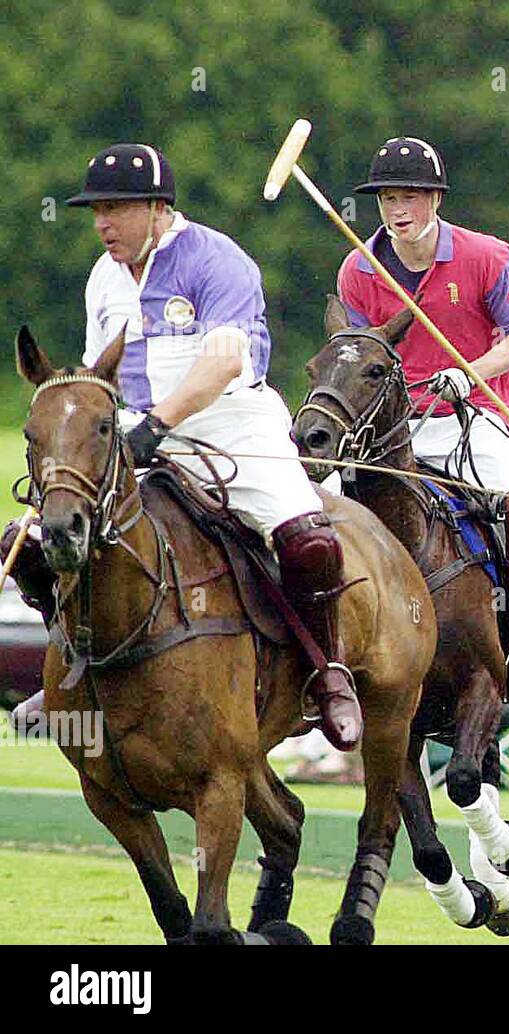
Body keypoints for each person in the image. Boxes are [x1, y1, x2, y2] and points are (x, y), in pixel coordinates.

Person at [60, 143, 362, 749]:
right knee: (54, 533)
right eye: (95, 211)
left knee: (309, 542)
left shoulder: (216, 260)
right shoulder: (103, 277)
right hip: (138, 428)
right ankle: (70, 668)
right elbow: (100, 372)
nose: (101, 224)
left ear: (156, 207)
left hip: (232, 426)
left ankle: (326, 672)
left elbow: (224, 360)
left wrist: (158, 426)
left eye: (114, 210)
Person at [335, 136, 509, 696]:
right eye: (388, 199)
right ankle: (332, 648)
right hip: (392, 427)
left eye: (411, 197)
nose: (399, 211)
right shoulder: (359, 270)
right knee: (324, 515)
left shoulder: (488, 257)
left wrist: (470, 373)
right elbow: (357, 353)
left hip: (476, 415)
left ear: (436, 199)